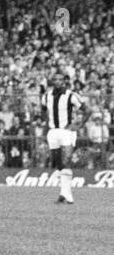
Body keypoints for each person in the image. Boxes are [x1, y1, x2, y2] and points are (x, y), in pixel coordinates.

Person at [41, 70, 84, 204]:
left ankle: (67, 195)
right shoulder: (46, 96)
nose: (58, 82)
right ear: (52, 81)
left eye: (61, 79)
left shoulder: (71, 95)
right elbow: (43, 111)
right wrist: (47, 124)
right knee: (57, 163)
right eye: (56, 79)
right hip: (53, 132)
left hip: (66, 132)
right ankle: (65, 193)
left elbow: (86, 110)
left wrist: (78, 126)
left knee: (66, 161)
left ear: (64, 81)